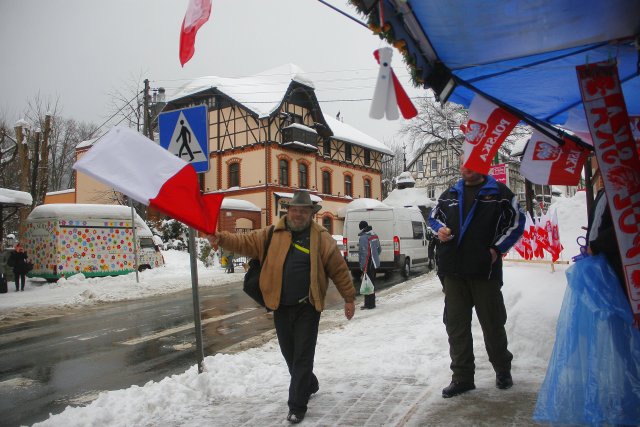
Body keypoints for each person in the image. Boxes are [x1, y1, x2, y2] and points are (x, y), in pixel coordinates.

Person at [207, 190, 355, 424]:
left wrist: (349, 298)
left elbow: (338, 269)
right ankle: (310, 383)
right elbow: (244, 241)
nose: (298, 214)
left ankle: (297, 405)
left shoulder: (321, 237)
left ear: (310, 214)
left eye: (303, 210)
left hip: (308, 306)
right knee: (290, 355)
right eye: (295, 209)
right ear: (289, 211)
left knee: (303, 355)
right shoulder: (271, 233)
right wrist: (221, 238)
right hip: (280, 306)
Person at [429, 158, 525, 398]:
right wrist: (438, 229)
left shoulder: (499, 193)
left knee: (492, 324)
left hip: (485, 271)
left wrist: (496, 250)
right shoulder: (450, 193)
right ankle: (462, 377)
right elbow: (433, 217)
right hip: (453, 271)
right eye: (462, 163)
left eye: (471, 163)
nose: (466, 167)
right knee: (456, 326)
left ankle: (502, 370)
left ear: (483, 165)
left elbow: (516, 223)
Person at [357, 220, 381, 310]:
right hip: (374, 263)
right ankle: (371, 303)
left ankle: (369, 304)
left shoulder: (364, 237)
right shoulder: (374, 235)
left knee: (367, 283)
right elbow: (379, 249)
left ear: (362, 228)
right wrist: (375, 257)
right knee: (371, 283)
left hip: (368, 263)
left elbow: (364, 252)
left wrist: (363, 266)